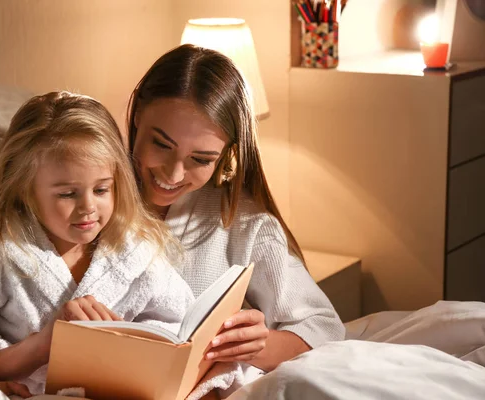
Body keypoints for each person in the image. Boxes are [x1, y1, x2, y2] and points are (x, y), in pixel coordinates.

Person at [0, 92, 194, 396]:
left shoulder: (137, 251)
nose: (88, 207)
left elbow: (178, 326)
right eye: (68, 194)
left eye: (101, 189)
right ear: (24, 189)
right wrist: (41, 347)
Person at [127, 44, 345, 378]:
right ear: (138, 112)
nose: (172, 175)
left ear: (226, 152)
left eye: (200, 160)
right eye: (161, 144)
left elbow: (324, 327)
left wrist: (261, 345)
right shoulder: (85, 197)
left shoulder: (244, 223)